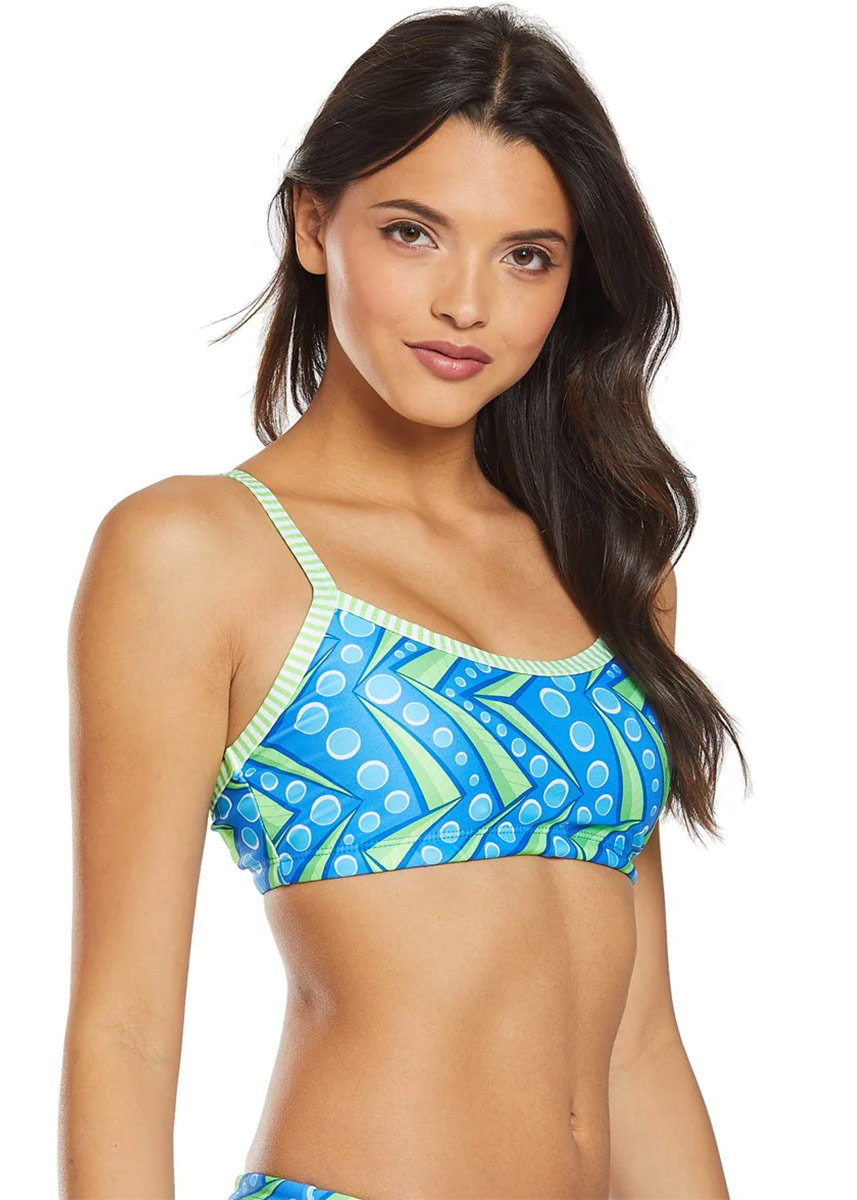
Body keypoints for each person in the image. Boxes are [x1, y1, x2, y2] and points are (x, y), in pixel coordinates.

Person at [59, 5, 748, 1198]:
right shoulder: (196, 552)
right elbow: (124, 1032)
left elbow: (639, 1043)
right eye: (413, 233)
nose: (465, 303)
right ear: (312, 223)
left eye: (526, 255)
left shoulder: (608, 565)